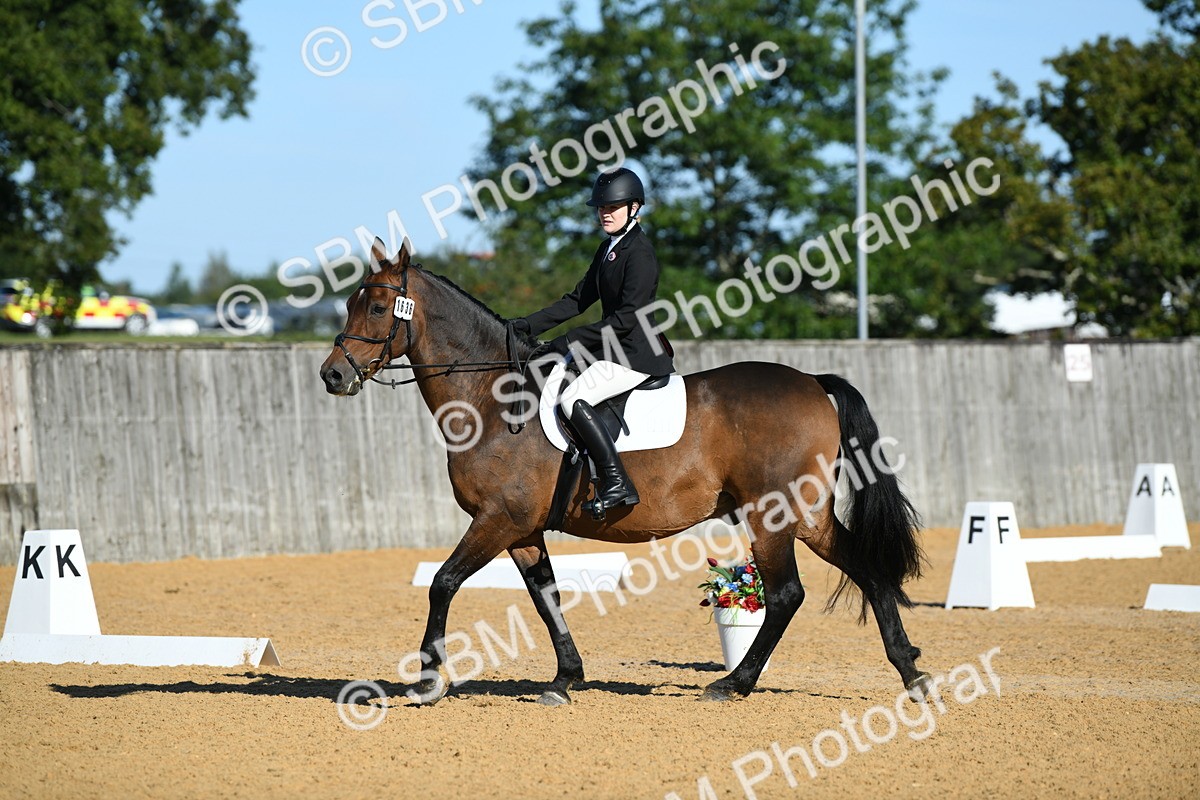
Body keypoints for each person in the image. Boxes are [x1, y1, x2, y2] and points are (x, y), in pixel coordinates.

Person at [513, 167, 674, 518]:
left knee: (573, 399)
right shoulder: (608, 249)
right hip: (615, 350)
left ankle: (617, 483)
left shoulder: (640, 253)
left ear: (634, 208)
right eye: (601, 207)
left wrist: (569, 340)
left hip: (638, 355)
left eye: (613, 206)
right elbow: (576, 300)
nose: (605, 213)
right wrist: (526, 324)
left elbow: (627, 319)